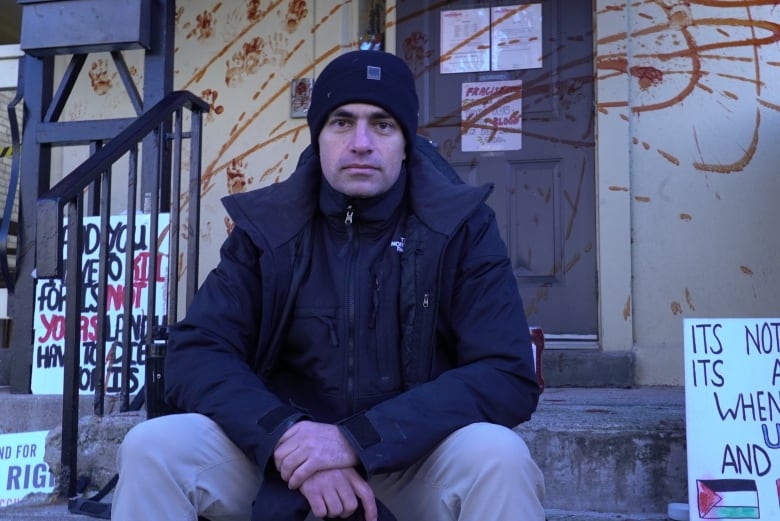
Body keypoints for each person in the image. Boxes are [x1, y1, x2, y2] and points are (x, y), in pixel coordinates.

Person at [112, 50, 545, 521]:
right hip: (281, 460)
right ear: (317, 137)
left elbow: (506, 372)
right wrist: (285, 438)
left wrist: (355, 440)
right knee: (151, 447)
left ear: (406, 142)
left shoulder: (461, 226)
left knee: (499, 457)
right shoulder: (269, 229)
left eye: (382, 124)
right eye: (342, 122)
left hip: (409, 462)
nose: (361, 142)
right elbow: (195, 352)